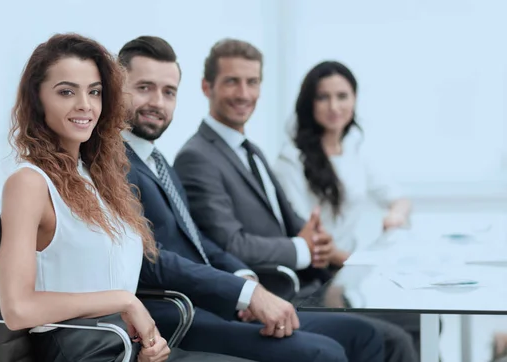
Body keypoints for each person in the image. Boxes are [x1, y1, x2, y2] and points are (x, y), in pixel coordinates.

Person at [119, 35, 385, 362]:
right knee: (325, 353)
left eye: (169, 92)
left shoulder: (159, 161)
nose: (158, 102)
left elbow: (198, 240)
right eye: (145, 87)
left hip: (223, 298)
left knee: (365, 335)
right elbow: (149, 259)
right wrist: (244, 292)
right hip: (182, 314)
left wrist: (244, 279)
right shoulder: (117, 164)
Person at [0, 32, 253, 362]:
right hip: (82, 351)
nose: (84, 105)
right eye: (66, 92)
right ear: (37, 99)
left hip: (124, 347)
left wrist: (149, 340)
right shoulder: (30, 183)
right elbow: (18, 309)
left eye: (95, 92)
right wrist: (125, 301)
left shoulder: (99, 178)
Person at [172, 38, 419, 362]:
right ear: (207, 87)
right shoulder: (197, 157)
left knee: (413, 322)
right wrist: (305, 247)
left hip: (307, 283)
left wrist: (314, 237)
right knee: (390, 338)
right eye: (232, 81)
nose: (244, 94)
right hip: (274, 292)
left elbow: (293, 220)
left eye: (252, 82)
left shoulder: (251, 150)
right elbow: (230, 245)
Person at [273, 61, 420, 357]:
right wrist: (362, 261)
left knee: (421, 320)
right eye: (323, 97)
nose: (334, 106)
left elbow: (399, 198)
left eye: (342, 96)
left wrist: (395, 215)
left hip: (349, 277)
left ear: (354, 99)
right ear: (308, 104)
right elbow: (308, 237)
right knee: (401, 332)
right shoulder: (292, 160)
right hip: (318, 282)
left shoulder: (354, 152)